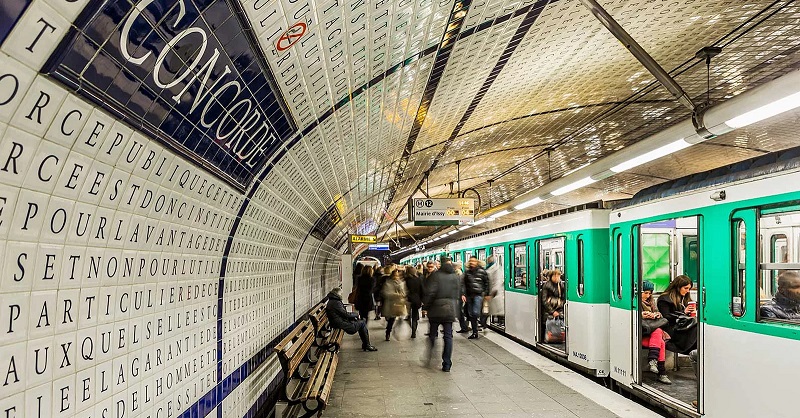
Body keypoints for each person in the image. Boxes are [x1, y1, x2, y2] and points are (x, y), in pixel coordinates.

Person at [424, 257, 461, 372]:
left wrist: (426, 307)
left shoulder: (436, 275)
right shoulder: (455, 276)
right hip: (449, 309)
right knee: (448, 337)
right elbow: (457, 292)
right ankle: (447, 364)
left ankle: (430, 357)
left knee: (432, 335)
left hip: (436, 309)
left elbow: (431, 292)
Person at [325, 287, 377, 352]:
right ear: (337, 294)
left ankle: (366, 345)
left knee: (361, 322)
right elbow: (346, 314)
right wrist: (356, 314)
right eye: (341, 293)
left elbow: (344, 314)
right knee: (362, 323)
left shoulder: (333, 301)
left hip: (337, 322)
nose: (341, 295)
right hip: (340, 324)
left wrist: (354, 316)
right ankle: (367, 345)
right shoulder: (336, 303)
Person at [657, 275, 698, 354]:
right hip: (673, 329)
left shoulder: (684, 298)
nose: (688, 291)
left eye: (689, 288)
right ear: (678, 287)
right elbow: (667, 317)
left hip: (684, 326)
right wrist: (684, 312)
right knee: (696, 328)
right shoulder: (664, 299)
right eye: (685, 288)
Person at [640, 281, 671, 384]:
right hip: (640, 335)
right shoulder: (634, 304)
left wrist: (656, 315)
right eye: (645, 293)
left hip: (652, 335)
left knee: (658, 334)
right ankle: (661, 373)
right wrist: (641, 315)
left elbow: (660, 316)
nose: (648, 296)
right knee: (659, 337)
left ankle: (653, 361)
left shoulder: (652, 303)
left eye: (649, 293)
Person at [462, 256, 489, 339]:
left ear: (477, 262)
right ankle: (475, 332)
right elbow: (463, 284)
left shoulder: (482, 271)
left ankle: (481, 323)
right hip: (469, 295)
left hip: (478, 295)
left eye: (473, 261)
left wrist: (486, 293)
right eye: (470, 261)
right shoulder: (467, 272)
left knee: (475, 312)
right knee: (471, 314)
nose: (472, 263)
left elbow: (487, 283)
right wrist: (463, 294)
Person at [382, 269, 408, 341]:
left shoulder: (402, 283)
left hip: (400, 303)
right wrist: (396, 294)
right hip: (391, 304)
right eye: (395, 275)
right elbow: (386, 293)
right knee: (391, 319)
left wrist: (401, 292)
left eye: (397, 275)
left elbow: (404, 292)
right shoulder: (388, 283)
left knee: (401, 318)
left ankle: (396, 330)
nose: (396, 277)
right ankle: (388, 332)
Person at [485, 255, 505, 327]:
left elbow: (498, 281)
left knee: (496, 309)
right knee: (490, 310)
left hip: (495, 293)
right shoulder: (489, 268)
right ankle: (486, 323)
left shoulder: (496, 269)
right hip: (491, 293)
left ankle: (500, 322)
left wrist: (493, 292)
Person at [405, 265, 424, 338]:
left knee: (408, 315)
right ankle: (414, 331)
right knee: (415, 315)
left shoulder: (406, 279)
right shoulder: (418, 279)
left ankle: (410, 326)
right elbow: (422, 290)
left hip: (408, 299)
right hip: (416, 299)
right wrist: (422, 300)